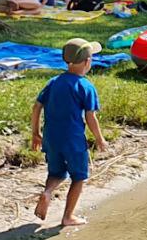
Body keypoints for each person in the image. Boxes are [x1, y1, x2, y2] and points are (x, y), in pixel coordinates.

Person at [31, 38, 108, 226]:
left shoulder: (53, 82)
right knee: (79, 177)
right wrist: (100, 139)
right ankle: (68, 217)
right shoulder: (86, 86)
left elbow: (36, 107)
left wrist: (35, 132)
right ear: (88, 62)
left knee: (56, 172)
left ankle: (47, 192)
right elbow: (90, 117)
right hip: (73, 141)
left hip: (51, 138)